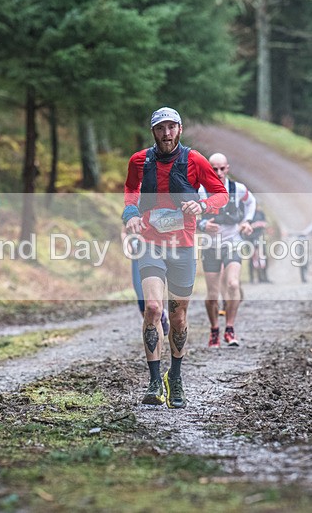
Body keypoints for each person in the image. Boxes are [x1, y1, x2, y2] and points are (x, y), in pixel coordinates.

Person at [123, 107, 228, 409]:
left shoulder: (194, 160)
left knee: (179, 316)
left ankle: (175, 377)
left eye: (171, 127)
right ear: (153, 132)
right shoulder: (139, 160)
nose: (166, 134)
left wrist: (204, 206)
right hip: (150, 243)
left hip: (182, 245)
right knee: (153, 308)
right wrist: (130, 213)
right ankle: (155, 382)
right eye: (160, 128)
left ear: (180, 129)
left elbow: (220, 193)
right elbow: (131, 189)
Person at [197, 153, 256, 348]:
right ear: (209, 169)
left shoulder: (237, 189)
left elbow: (251, 202)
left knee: (232, 284)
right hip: (210, 246)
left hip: (233, 242)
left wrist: (247, 221)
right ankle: (214, 329)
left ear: (228, 168)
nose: (219, 173)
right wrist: (204, 225)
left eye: (222, 168)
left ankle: (229, 328)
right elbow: (190, 214)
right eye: (214, 169)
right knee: (212, 294)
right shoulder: (201, 191)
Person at [121, 226, 169, 335]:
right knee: (141, 297)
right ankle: (150, 325)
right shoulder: (130, 210)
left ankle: (160, 318)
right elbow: (123, 232)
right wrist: (127, 246)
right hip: (137, 259)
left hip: (154, 256)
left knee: (155, 295)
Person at [244, 205, 269, 284]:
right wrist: (254, 225)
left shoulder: (260, 213)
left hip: (260, 237)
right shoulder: (248, 214)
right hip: (250, 238)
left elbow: (265, 223)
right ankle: (252, 278)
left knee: (263, 257)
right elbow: (245, 226)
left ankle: (263, 277)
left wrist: (261, 224)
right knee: (252, 258)